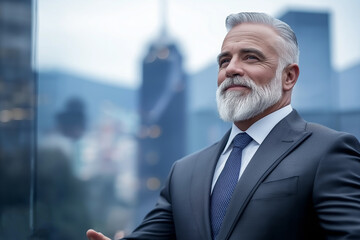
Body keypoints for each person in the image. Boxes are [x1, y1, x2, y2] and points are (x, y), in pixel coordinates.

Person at [87, 12, 360, 240]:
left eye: (250, 57)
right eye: (224, 61)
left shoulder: (328, 151)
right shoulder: (184, 172)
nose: (231, 69)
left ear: (288, 77)